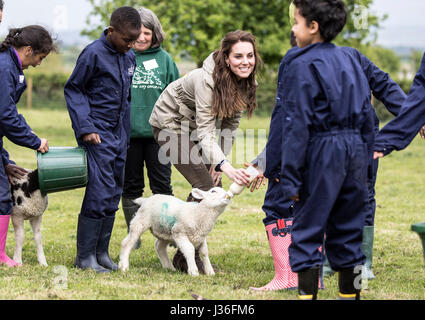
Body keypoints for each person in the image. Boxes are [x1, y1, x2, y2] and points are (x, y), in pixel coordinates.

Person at [266, 0, 380, 300]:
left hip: (322, 151)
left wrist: (290, 181)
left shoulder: (299, 63)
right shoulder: (352, 58)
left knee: (306, 232)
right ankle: (351, 297)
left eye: (296, 22)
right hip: (355, 152)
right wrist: (366, 165)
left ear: (313, 27)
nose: (293, 28)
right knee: (349, 236)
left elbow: (296, 125)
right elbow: (367, 116)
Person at [149, 30, 261, 273]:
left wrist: (219, 162)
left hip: (196, 130)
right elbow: (207, 130)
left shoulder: (247, 81)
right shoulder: (205, 80)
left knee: (210, 179)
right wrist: (225, 166)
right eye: (238, 56)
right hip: (169, 124)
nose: (245, 62)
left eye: (250, 56)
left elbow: (230, 125)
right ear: (226, 58)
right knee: (204, 182)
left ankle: (182, 246)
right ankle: (184, 253)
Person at [64, 6, 141, 273]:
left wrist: (125, 134)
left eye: (134, 40)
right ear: (111, 31)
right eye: (126, 40)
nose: (131, 45)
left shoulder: (129, 57)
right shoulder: (93, 53)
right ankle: (84, 258)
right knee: (98, 192)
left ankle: (102, 254)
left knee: (113, 192)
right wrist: (85, 127)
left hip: (119, 135)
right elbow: (74, 89)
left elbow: (127, 99)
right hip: (96, 134)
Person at [121, 7, 179, 250]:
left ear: (155, 33)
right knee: (131, 187)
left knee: (162, 187)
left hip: (160, 137)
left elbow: (178, 96)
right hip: (128, 136)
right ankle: (134, 235)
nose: (142, 38)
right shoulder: (122, 57)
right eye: (137, 33)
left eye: (147, 32)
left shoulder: (165, 60)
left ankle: (167, 234)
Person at [0, 25, 52, 267]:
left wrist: (4, 160)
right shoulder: (4, 67)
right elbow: (6, 116)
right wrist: (34, 142)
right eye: (40, 57)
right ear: (29, 50)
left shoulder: (10, 65)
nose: (39, 63)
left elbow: (10, 114)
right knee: (2, 196)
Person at [373, 53, 425, 159]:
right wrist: (414, 117)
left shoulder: (353, 58)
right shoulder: (353, 57)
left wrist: (414, 117)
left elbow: (384, 85)